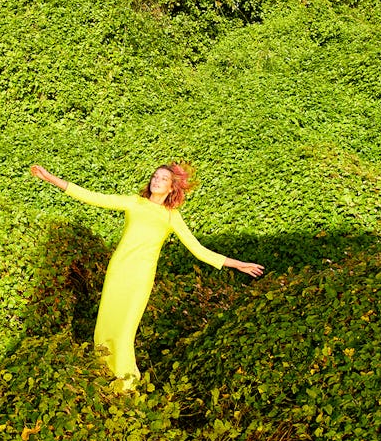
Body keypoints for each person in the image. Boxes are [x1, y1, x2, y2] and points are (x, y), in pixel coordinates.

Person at [30, 162, 264, 388]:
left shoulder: (172, 216)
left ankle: (126, 385)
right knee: (104, 326)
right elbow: (94, 197)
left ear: (172, 187)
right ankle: (102, 376)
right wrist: (50, 178)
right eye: (155, 177)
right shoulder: (134, 203)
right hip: (118, 271)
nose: (157, 181)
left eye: (163, 179)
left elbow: (199, 250)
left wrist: (237, 264)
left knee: (124, 330)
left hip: (140, 277)